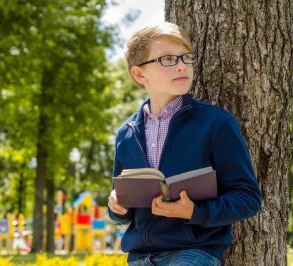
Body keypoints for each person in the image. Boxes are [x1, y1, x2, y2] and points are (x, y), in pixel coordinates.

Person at [107, 22, 261, 266]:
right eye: (167, 59)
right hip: (138, 257)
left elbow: (248, 198)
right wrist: (116, 206)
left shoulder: (216, 123)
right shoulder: (126, 134)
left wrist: (193, 212)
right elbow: (121, 213)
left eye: (186, 58)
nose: (181, 66)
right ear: (139, 74)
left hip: (192, 252)